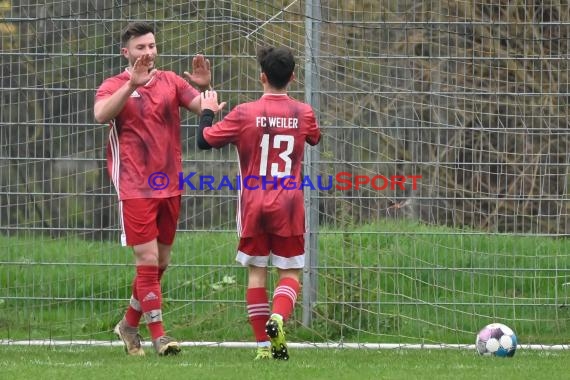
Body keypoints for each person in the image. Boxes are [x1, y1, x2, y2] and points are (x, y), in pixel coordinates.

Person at [94, 22, 221, 356]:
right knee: (147, 259)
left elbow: (202, 109)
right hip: (134, 186)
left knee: (160, 261)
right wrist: (130, 87)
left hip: (169, 185)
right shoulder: (113, 85)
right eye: (140, 48)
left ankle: (128, 325)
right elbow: (100, 114)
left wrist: (207, 91)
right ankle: (160, 336)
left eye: (151, 46)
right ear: (126, 53)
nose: (148, 52)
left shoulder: (171, 82)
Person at [196, 46, 321, 360]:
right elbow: (315, 138)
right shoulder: (303, 112)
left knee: (256, 274)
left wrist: (207, 109)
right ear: (292, 77)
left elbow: (204, 140)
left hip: (253, 204)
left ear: (261, 76)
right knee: (290, 274)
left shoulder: (243, 113)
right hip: (289, 206)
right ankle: (278, 319)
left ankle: (263, 348)